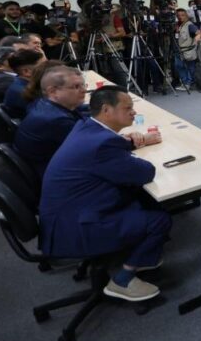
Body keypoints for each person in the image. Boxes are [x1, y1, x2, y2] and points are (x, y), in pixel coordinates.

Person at [40, 86, 168, 301]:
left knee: (142, 198)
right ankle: (123, 280)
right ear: (107, 110)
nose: (134, 112)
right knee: (159, 219)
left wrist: (128, 144)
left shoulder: (86, 126)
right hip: (75, 227)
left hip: (63, 213)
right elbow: (146, 172)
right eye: (127, 108)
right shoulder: (103, 144)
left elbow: (106, 152)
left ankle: (144, 256)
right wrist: (130, 154)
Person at [15, 66, 94, 176]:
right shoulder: (58, 121)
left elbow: (77, 113)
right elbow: (91, 147)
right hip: (57, 173)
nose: (84, 90)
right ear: (52, 91)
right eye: (76, 86)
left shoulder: (42, 102)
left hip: (46, 161)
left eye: (83, 85)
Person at [3, 49, 44, 118]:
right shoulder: (25, 92)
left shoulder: (20, 83)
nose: (48, 69)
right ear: (26, 71)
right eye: (43, 66)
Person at [173, 8, 201, 91]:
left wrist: (198, 37)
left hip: (188, 50)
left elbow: (198, 32)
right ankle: (185, 83)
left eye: (182, 15)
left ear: (186, 16)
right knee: (179, 66)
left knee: (190, 67)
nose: (180, 17)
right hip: (178, 50)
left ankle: (189, 83)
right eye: (178, 15)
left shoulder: (190, 25)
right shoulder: (177, 25)